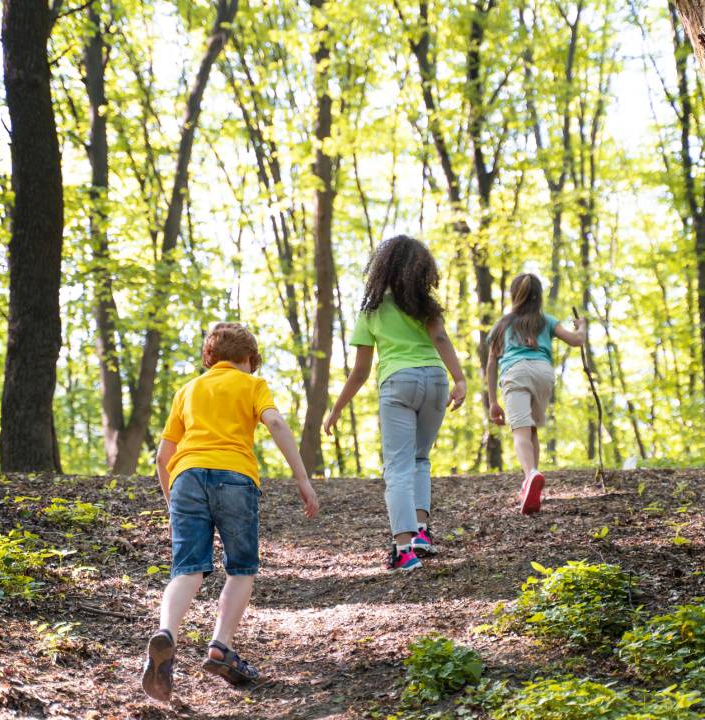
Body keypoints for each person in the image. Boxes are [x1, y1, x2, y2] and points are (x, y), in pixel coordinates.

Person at [142, 323, 319, 701]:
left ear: (209, 358)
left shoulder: (188, 390)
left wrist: (172, 506)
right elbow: (273, 421)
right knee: (241, 568)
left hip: (186, 478)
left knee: (187, 568)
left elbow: (162, 457)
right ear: (249, 360)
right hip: (235, 478)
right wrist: (302, 478)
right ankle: (220, 646)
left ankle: (167, 633)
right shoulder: (253, 385)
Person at [324, 235, 466, 572]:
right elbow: (441, 339)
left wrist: (337, 408)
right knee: (420, 459)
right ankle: (420, 533)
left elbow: (360, 372)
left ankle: (404, 550)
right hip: (434, 379)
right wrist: (459, 379)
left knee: (398, 467)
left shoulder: (372, 310)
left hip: (398, 383)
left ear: (382, 268)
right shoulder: (425, 306)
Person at [486, 273, 587, 515]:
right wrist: (582, 326)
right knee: (531, 429)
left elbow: (491, 363)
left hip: (515, 372)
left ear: (514, 295)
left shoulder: (502, 324)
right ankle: (532, 480)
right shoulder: (547, 321)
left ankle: (531, 474)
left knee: (520, 431)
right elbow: (576, 340)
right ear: (539, 296)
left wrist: (492, 401)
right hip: (543, 373)